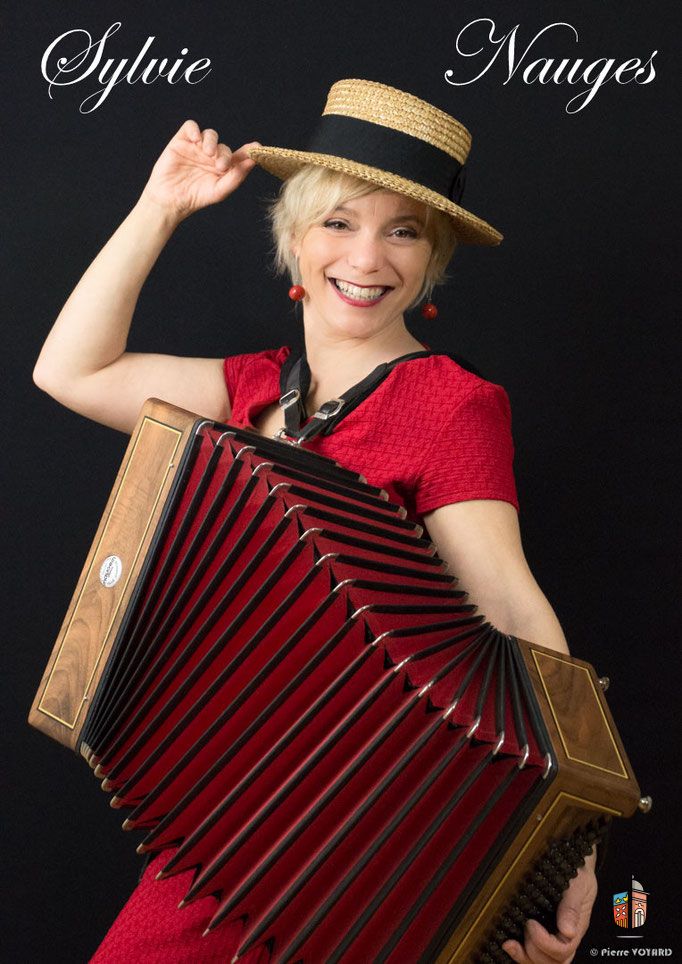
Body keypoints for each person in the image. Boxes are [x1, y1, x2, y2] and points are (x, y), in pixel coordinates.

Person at [33, 79, 598, 963]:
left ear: (431, 259)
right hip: (233, 809)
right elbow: (70, 371)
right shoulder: (254, 387)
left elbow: (514, 614)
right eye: (338, 222)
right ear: (293, 238)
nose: (367, 257)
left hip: (372, 823)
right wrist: (160, 208)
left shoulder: (452, 405)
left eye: (403, 231)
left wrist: (573, 844)